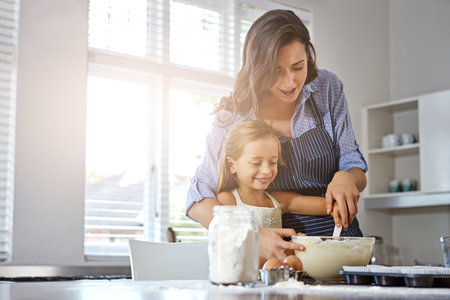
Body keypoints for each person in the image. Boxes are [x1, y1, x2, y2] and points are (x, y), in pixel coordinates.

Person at [186, 9, 367, 262]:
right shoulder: (234, 113)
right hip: (281, 254)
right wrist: (250, 236)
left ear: (308, 56)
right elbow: (197, 197)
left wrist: (346, 176)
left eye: (297, 67)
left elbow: (353, 164)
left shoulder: (327, 88)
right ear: (257, 69)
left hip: (341, 246)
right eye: (276, 71)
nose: (290, 82)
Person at [216, 119, 341, 229]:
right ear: (232, 165)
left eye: (273, 162)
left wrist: (338, 207)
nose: (267, 170)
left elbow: (327, 206)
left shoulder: (276, 200)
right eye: (256, 163)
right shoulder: (227, 199)